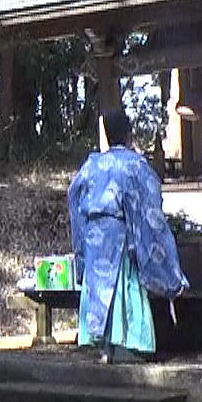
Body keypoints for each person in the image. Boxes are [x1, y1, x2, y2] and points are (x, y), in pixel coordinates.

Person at [68, 108, 186, 361]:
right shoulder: (134, 165)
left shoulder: (91, 165)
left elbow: (73, 196)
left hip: (93, 237)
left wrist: (81, 244)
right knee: (125, 283)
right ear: (130, 134)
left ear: (108, 136)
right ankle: (129, 345)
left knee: (99, 288)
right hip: (120, 236)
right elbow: (149, 205)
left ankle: (102, 347)